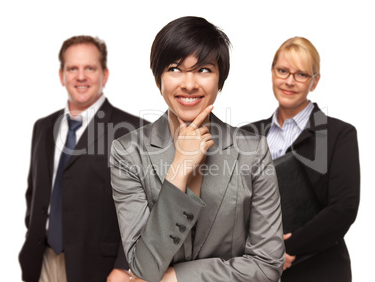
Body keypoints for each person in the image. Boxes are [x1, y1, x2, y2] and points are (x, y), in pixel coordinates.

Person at [110, 16, 285, 282]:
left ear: (220, 79)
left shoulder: (253, 151)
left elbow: (267, 266)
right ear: (159, 78)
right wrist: (180, 167)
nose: (189, 84)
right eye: (175, 69)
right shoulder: (127, 152)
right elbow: (143, 267)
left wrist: (175, 277)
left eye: (203, 69)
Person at [19, 35, 147, 282]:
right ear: (61, 76)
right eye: (72, 68)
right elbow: (34, 193)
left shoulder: (133, 131)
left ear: (105, 75)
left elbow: (146, 208)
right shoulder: (43, 127)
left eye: (90, 68)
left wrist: (123, 266)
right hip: (41, 261)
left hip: (100, 268)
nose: (81, 76)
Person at [242, 37, 360, 282]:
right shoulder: (245, 135)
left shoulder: (337, 134)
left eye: (301, 75)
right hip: (253, 270)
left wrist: (287, 247)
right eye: (282, 71)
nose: (289, 81)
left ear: (315, 81)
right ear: (273, 73)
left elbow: (343, 208)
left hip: (318, 269)